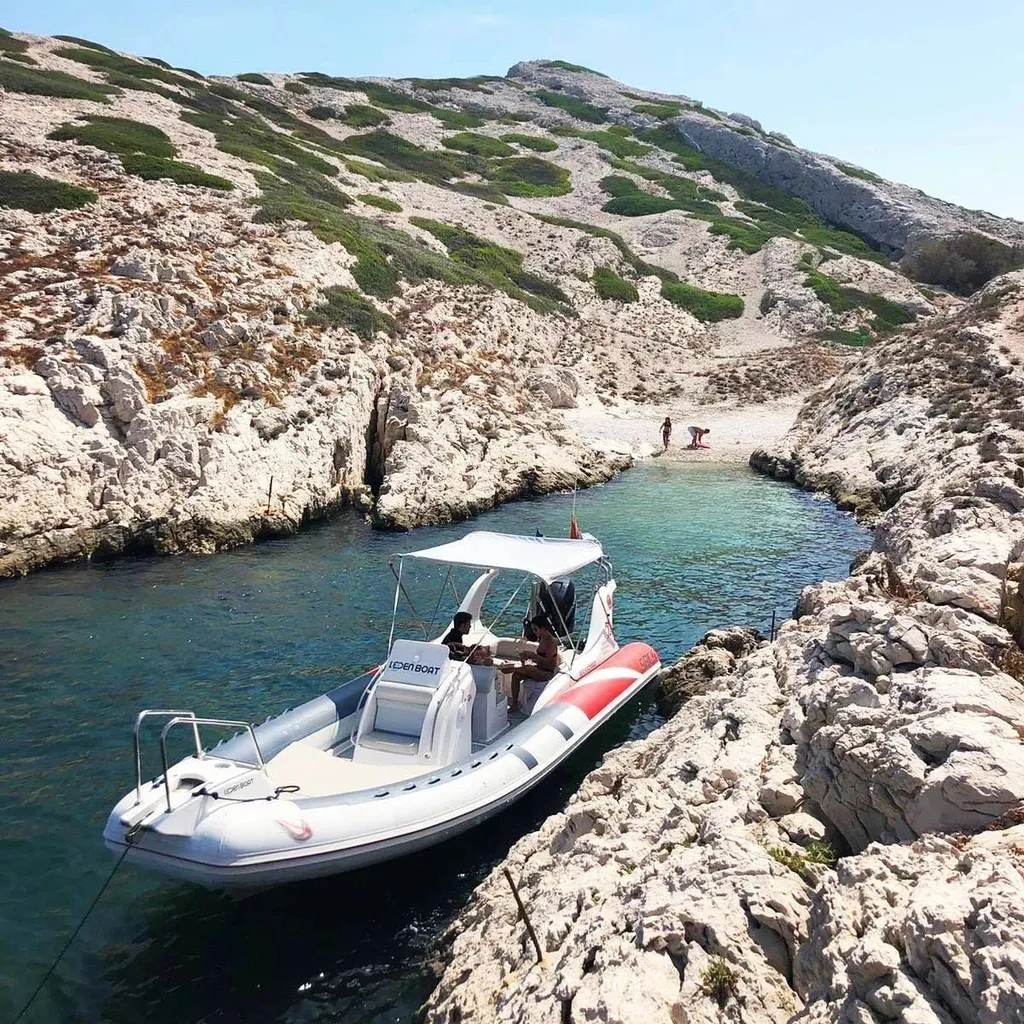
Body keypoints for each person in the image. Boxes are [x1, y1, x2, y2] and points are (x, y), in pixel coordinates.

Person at [510, 615, 559, 713]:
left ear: (544, 628)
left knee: (528, 669)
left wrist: (533, 656)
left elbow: (548, 663)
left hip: (547, 673)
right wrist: (526, 656)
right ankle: (514, 704)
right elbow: (539, 659)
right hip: (539, 669)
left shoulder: (550, 643)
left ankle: (510, 668)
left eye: (536, 629)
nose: (534, 632)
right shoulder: (541, 639)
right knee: (516, 676)